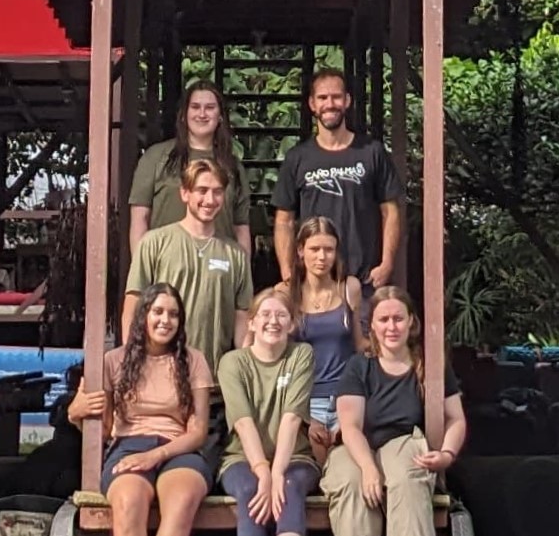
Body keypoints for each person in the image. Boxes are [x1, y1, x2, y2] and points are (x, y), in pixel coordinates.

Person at [66, 284, 216, 536]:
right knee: (129, 501)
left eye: (173, 314)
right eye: (158, 312)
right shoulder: (114, 361)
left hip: (177, 447)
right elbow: (90, 421)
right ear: (144, 316)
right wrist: (75, 410)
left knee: (182, 499)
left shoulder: (193, 360)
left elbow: (198, 430)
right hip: (129, 446)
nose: (166, 320)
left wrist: (157, 455)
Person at [327, 283, 465, 536]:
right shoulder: (360, 367)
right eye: (383, 319)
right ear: (371, 325)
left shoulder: (430, 366)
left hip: (403, 439)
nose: (392, 327)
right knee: (348, 479)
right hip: (359, 444)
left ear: (411, 323)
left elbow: (456, 418)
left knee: (406, 473)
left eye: (398, 319)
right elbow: (350, 426)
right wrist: (369, 469)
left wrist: (447, 454)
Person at [216, 285, 319, 536]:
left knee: (289, 485)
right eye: (266, 315)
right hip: (242, 459)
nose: (273, 321)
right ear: (253, 322)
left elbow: (292, 417)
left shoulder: (301, 355)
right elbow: (243, 421)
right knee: (249, 492)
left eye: (281, 315)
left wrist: (276, 472)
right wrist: (263, 471)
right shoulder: (232, 362)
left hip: (295, 457)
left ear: (292, 323)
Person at [270, 69, 406, 292]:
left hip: (364, 281)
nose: (330, 104)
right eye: (323, 98)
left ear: (347, 101)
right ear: (312, 104)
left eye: (336, 97)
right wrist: (287, 272)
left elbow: (390, 211)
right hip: (313, 283)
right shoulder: (297, 158)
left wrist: (386, 263)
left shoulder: (372, 152)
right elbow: (284, 221)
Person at [124, 154, 249, 365]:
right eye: (202, 190)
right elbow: (133, 306)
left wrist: (245, 367)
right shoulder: (154, 243)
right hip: (162, 375)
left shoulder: (236, 254)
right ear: (185, 193)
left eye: (218, 192)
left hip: (215, 379)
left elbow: (242, 319)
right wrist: (133, 363)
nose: (210, 200)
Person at [286, 217, 362, 464]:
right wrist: (304, 415)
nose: (322, 257)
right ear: (300, 250)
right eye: (314, 249)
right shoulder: (286, 294)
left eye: (328, 249)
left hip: (346, 396)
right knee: (316, 472)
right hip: (306, 399)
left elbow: (360, 345)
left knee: (346, 466)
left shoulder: (349, 288)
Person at [128, 82, 236, 255]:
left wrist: (242, 274)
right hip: (165, 265)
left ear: (220, 116)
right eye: (195, 107)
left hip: (218, 269)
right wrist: (142, 271)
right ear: (184, 115)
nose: (202, 114)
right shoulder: (155, 157)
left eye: (209, 107)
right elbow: (140, 218)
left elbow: (241, 227)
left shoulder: (233, 165)